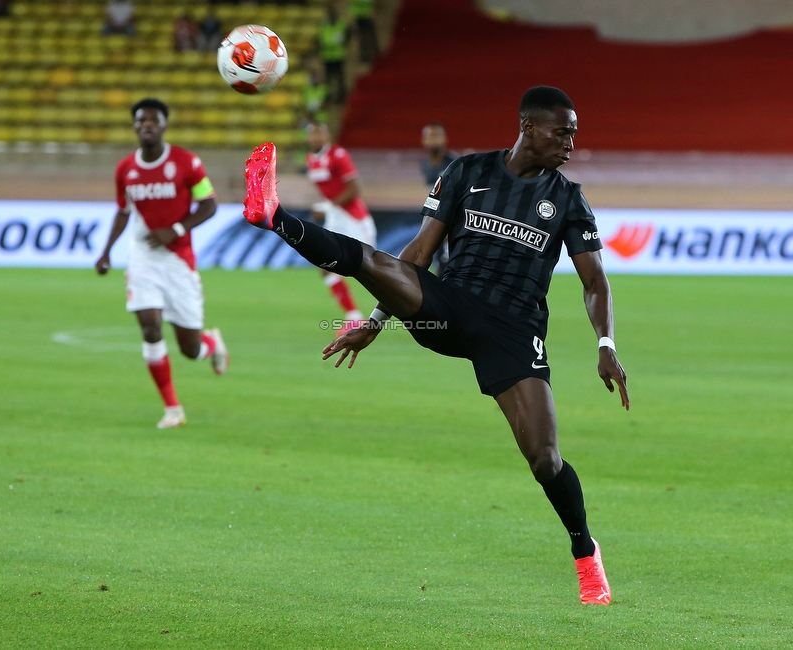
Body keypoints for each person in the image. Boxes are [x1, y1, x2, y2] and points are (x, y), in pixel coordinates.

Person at [242, 86, 629, 605]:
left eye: (573, 134)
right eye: (562, 132)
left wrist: (605, 342)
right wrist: (377, 321)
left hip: (513, 332)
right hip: (449, 306)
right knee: (373, 260)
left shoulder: (567, 198)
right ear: (528, 127)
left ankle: (585, 552)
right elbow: (420, 252)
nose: (570, 143)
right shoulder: (466, 173)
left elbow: (595, 282)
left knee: (545, 460)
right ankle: (273, 216)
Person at [95, 98, 229, 429]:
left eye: (153, 120)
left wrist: (177, 229)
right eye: (141, 121)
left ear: (165, 125)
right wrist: (106, 251)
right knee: (150, 326)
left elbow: (209, 204)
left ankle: (212, 343)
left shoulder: (187, 163)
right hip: (142, 257)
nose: (147, 125)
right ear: (134, 126)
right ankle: (173, 409)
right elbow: (124, 211)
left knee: (189, 348)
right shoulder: (125, 169)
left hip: (178, 260)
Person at [304, 121, 377, 335]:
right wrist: (326, 208)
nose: (317, 138)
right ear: (308, 137)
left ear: (327, 135)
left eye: (321, 134)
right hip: (336, 218)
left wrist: (326, 207)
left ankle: (408, 309)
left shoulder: (338, 155)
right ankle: (353, 316)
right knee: (325, 265)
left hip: (355, 219)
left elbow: (356, 188)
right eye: (313, 134)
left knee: (372, 271)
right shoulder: (310, 160)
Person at [421, 122, 457, 274]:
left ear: (444, 139)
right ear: (423, 140)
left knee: (450, 266)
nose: (433, 140)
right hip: (438, 220)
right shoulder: (425, 165)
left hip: (453, 223)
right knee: (440, 267)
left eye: (436, 136)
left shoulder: (454, 164)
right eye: (429, 136)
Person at [318, 6, 349, 104]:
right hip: (327, 57)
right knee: (328, 79)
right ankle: (329, 96)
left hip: (338, 56)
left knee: (340, 78)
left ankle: (341, 95)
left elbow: (347, 37)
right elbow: (320, 40)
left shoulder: (341, 25)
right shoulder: (324, 26)